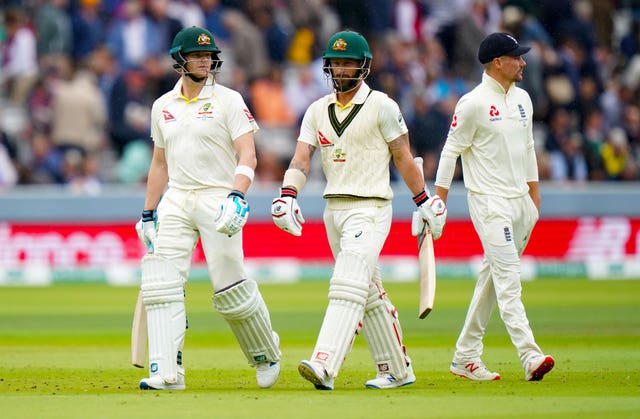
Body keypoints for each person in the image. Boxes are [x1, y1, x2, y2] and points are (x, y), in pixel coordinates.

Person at [270, 30, 447, 390]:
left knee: (348, 282)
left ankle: (324, 363)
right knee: (367, 292)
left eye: (349, 61)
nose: (341, 68)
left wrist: (424, 200)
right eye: (336, 62)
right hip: (332, 210)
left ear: (363, 66)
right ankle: (397, 370)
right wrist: (288, 194)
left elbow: (402, 156)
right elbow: (302, 158)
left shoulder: (383, 105)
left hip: (371, 207)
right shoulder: (317, 110)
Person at [135, 26, 281, 390]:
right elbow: (159, 164)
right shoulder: (162, 106)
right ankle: (167, 371)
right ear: (180, 60)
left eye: (207, 55)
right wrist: (148, 212)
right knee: (162, 283)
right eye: (196, 55)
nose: (204, 60)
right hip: (178, 198)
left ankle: (266, 352)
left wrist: (238, 194)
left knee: (229, 288)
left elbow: (248, 153)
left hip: (219, 196)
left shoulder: (229, 100)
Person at [433, 32, 555, 382]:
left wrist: (534, 195)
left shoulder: (524, 99)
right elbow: (450, 151)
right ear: (498, 62)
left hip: (522, 204)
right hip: (489, 203)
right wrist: (439, 201)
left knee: (491, 280)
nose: (524, 62)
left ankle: (465, 357)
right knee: (508, 280)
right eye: (517, 57)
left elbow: (529, 147)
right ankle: (530, 356)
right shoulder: (471, 103)